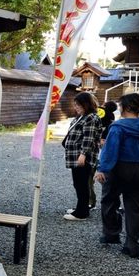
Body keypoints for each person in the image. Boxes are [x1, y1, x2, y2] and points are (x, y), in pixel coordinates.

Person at [95, 93, 139, 258]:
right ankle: (132, 245)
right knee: (136, 209)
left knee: (109, 200)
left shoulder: (118, 127)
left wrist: (102, 168)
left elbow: (110, 151)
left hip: (119, 168)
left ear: (124, 107)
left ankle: (111, 234)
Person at [62, 92, 102, 220]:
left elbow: (88, 138)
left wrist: (83, 154)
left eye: (79, 105)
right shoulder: (82, 116)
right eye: (75, 105)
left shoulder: (90, 117)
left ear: (86, 104)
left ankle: (82, 213)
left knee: (82, 184)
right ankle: (81, 207)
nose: (76, 107)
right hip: (76, 156)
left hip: (83, 157)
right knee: (78, 183)